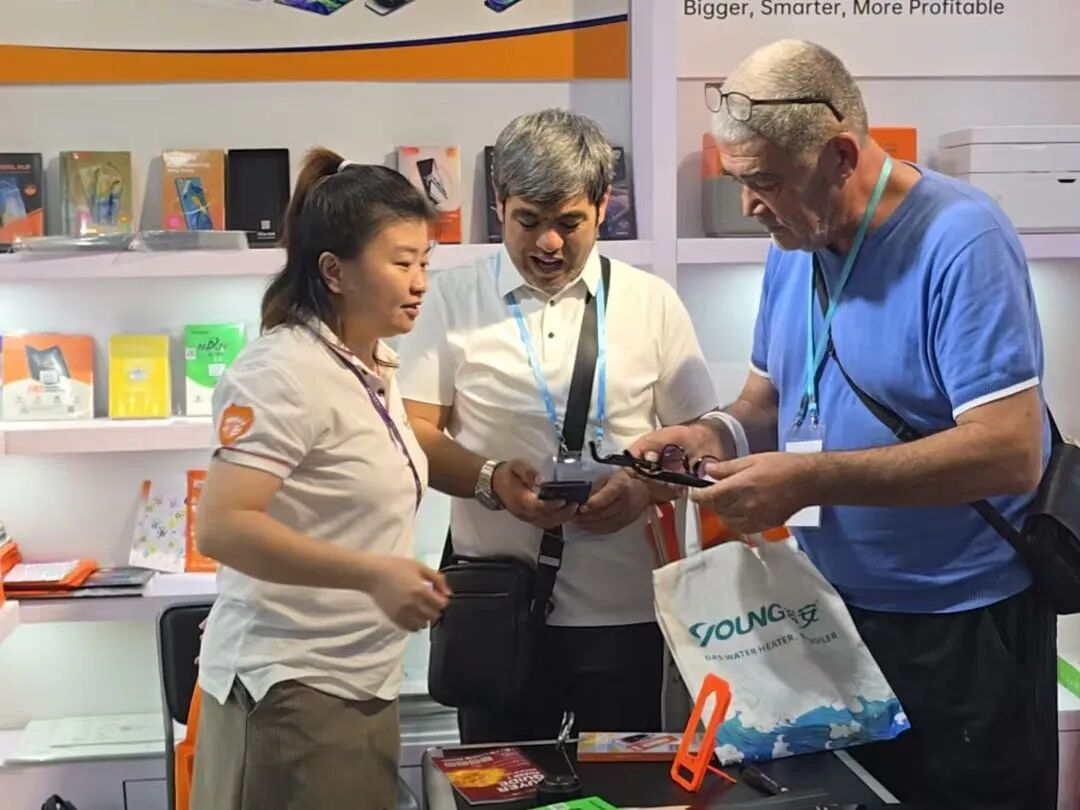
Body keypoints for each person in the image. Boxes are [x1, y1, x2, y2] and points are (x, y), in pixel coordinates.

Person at [632, 39, 1057, 810]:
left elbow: (1010, 452)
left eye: (765, 182)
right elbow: (767, 401)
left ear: (840, 155)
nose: (748, 206)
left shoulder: (962, 239)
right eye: (739, 181)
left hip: (960, 631)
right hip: (831, 620)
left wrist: (808, 481)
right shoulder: (794, 241)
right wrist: (709, 437)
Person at [396, 109, 718, 743]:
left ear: (602, 206)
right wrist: (492, 480)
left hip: (625, 609)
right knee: (503, 781)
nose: (548, 243)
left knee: (622, 785)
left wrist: (645, 487)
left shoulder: (650, 302)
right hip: (497, 611)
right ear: (499, 205)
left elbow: (701, 440)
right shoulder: (452, 301)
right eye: (528, 221)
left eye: (569, 223)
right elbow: (411, 436)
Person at [190, 147, 451, 810]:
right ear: (334, 271)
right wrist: (372, 574)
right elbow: (223, 526)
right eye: (402, 263)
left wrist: (489, 478)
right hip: (291, 689)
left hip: (362, 681)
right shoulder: (281, 372)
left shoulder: (372, 365)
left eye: (425, 262)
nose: (420, 282)